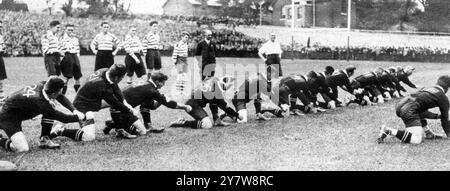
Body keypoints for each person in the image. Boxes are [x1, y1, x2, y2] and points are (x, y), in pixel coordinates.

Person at [49, 64, 138, 141]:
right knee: (89, 137)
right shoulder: (102, 86)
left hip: (91, 102)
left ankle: (119, 129)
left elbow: (115, 87)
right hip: (82, 107)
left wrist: (125, 102)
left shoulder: (106, 71)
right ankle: (61, 130)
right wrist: (130, 110)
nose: (122, 79)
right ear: (116, 77)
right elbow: (115, 103)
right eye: (122, 77)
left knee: (117, 103)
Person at [0, 76, 85, 152]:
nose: (60, 93)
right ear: (53, 94)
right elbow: (64, 118)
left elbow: (60, 97)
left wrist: (74, 110)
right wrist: (80, 117)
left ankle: (45, 139)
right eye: (59, 91)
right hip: (8, 118)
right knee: (22, 149)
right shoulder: (40, 102)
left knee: (50, 109)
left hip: (16, 112)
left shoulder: (44, 85)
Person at [103, 72, 192, 137]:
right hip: (121, 110)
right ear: (157, 81)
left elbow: (151, 106)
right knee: (141, 132)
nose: (163, 85)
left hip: (118, 108)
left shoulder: (146, 84)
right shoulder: (151, 90)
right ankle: (114, 123)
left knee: (146, 104)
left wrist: (162, 100)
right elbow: (170, 104)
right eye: (162, 83)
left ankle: (147, 125)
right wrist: (184, 106)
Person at [377, 75, 450, 144]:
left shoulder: (426, 88)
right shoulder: (442, 97)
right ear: (447, 88)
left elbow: (421, 109)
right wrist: (448, 133)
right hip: (409, 109)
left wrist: (436, 116)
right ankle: (388, 130)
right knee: (416, 139)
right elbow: (445, 118)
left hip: (400, 105)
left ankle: (428, 133)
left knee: (418, 109)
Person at [170, 76, 242, 129]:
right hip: (192, 104)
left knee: (213, 101)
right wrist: (238, 115)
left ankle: (217, 120)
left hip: (192, 100)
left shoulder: (214, 80)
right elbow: (225, 107)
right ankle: (184, 122)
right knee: (207, 125)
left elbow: (213, 102)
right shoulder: (217, 92)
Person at [59, 24, 82, 94]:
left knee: (77, 77)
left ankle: (78, 96)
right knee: (66, 77)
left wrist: (77, 57)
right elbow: (59, 49)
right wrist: (63, 57)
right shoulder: (62, 38)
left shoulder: (75, 39)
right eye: (69, 30)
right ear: (65, 30)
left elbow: (77, 49)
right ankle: (61, 96)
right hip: (67, 57)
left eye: (71, 30)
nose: (70, 31)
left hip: (75, 57)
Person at [171, 31, 191, 98]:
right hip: (179, 60)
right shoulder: (178, 44)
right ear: (182, 37)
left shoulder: (186, 44)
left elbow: (186, 53)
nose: (186, 39)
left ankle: (182, 91)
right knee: (179, 76)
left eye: (187, 37)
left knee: (184, 76)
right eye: (185, 37)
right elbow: (174, 54)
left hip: (185, 60)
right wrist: (175, 63)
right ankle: (177, 91)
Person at [0, 21, 7, 103]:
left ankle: (1, 98)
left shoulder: (1, 36)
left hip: (0, 57)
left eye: (1, 26)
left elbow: (3, 48)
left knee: (1, 79)